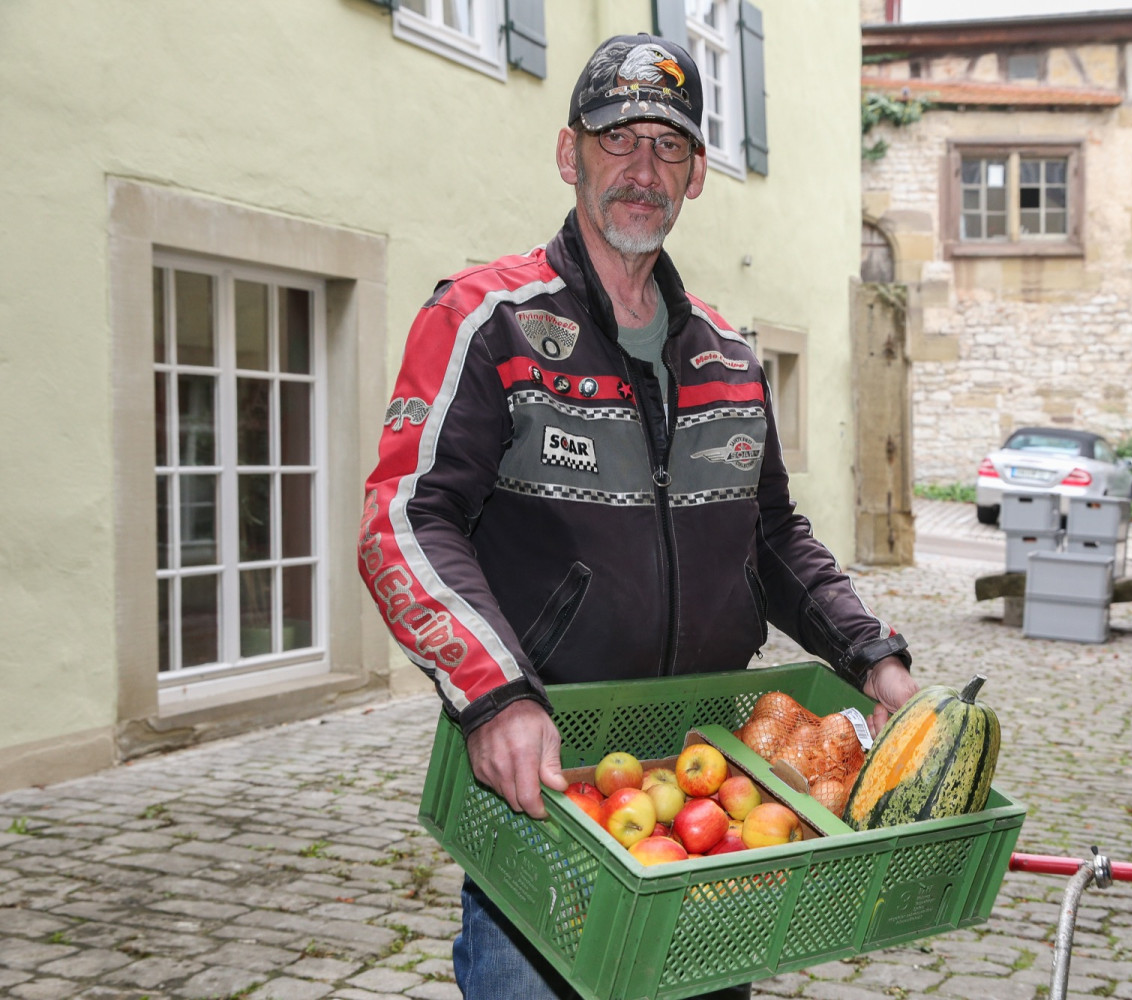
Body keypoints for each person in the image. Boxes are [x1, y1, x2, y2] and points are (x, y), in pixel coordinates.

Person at [359, 32, 919, 1000]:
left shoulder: (729, 359)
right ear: (569, 153)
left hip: (705, 795)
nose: (642, 168)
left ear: (698, 174)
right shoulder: (486, 321)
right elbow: (404, 519)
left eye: (668, 145)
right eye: (618, 139)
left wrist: (873, 654)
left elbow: (773, 536)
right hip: (542, 787)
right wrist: (496, 693)